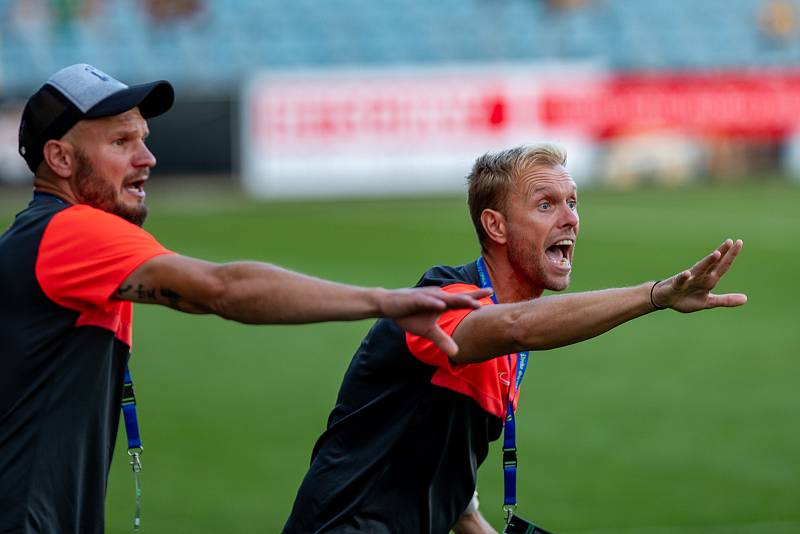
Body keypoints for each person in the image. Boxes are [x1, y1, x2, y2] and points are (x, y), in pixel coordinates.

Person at [0, 64, 488, 534]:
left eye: (143, 139)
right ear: (61, 159)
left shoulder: (39, 238)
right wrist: (383, 301)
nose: (146, 158)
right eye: (120, 142)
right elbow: (222, 289)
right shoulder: (70, 232)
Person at [282, 144, 747, 534]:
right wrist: (655, 295)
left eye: (573, 202)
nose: (570, 219)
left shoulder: (507, 340)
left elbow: (455, 498)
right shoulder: (442, 302)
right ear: (496, 226)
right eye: (546, 204)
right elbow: (516, 325)